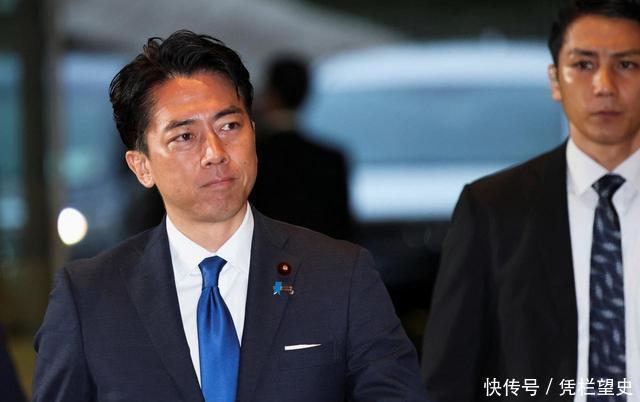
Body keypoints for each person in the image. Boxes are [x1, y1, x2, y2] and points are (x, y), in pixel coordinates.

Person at [32, 30, 427, 402]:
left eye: (229, 126)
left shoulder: (340, 276)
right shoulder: (89, 297)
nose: (215, 152)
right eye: (185, 136)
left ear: (254, 133)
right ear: (142, 166)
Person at [422, 0, 640, 401]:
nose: (604, 85)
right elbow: (449, 376)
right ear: (555, 80)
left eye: (626, 64)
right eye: (584, 64)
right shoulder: (491, 208)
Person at [251, 55, 352, 240]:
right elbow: (343, 229)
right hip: (321, 255)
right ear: (307, 94)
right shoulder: (330, 159)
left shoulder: (252, 156)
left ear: (270, 94)